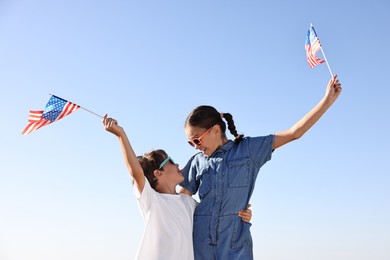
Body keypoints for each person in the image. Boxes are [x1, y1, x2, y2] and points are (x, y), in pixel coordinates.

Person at [179, 75, 342, 259]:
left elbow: (294, 133)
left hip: (235, 247)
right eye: (190, 143)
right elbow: (180, 203)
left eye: (196, 140)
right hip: (200, 246)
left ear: (216, 130)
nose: (195, 146)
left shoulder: (249, 150)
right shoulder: (196, 162)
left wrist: (327, 100)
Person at [102, 115, 253, 260]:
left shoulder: (189, 203)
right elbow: (136, 173)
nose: (177, 165)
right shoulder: (152, 201)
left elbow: (215, 214)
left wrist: (240, 213)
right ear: (158, 173)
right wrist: (120, 135)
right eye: (171, 161)